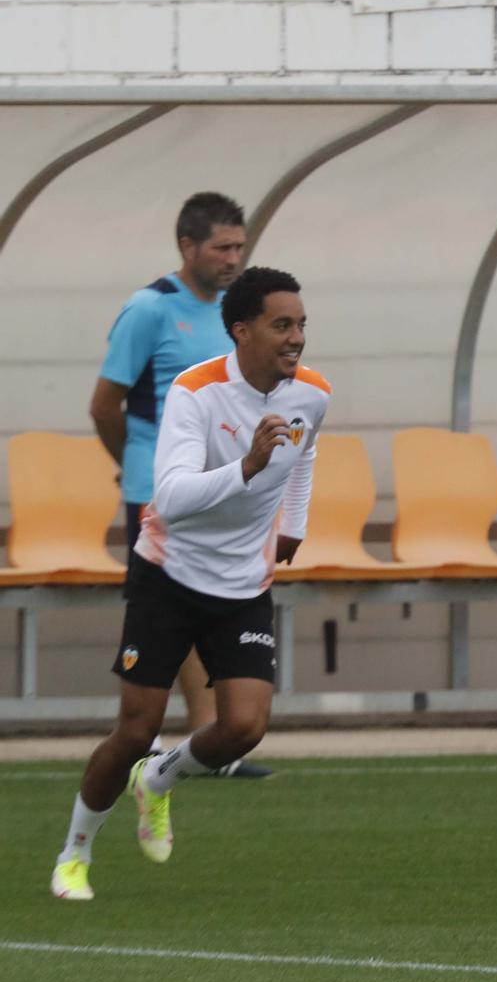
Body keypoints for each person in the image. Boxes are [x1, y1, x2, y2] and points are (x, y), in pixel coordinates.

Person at [53, 268, 327, 901]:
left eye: (302, 325)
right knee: (134, 730)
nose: (296, 338)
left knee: (245, 727)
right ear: (241, 330)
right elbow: (170, 498)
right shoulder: (194, 392)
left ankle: (157, 783)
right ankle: (75, 853)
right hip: (170, 577)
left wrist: (294, 522)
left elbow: (306, 450)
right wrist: (248, 466)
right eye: (282, 325)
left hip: (243, 583)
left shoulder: (311, 393)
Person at [88, 191, 271, 779]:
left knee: (214, 595)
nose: (233, 258)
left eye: (240, 247)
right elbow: (104, 405)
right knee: (179, 601)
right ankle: (190, 737)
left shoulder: (234, 314)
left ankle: (207, 740)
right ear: (187, 246)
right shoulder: (149, 309)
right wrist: (135, 462)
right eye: (222, 247)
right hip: (158, 486)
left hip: (221, 486)